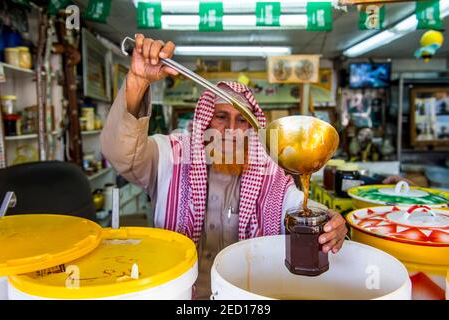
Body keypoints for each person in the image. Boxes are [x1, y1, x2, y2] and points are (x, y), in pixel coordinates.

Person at [100, 35, 347, 299]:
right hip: (179, 294)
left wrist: (330, 221)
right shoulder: (171, 155)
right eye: (221, 117)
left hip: (245, 296)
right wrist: (138, 81)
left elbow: (299, 206)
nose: (231, 130)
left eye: (242, 120)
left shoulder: (270, 173)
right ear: (205, 121)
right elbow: (121, 153)